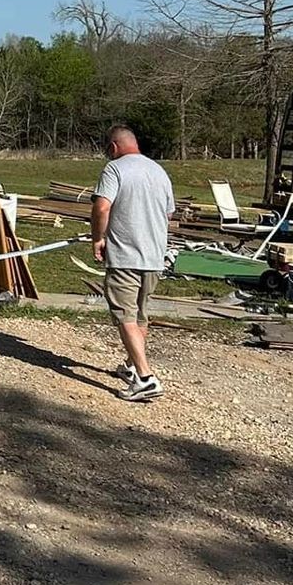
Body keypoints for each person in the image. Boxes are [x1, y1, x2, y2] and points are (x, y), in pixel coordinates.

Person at [90, 125, 175, 402]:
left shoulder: (114, 170)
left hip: (125, 255)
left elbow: (102, 206)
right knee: (139, 313)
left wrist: (98, 238)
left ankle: (146, 377)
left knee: (124, 315)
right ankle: (130, 366)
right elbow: (168, 213)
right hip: (153, 256)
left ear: (114, 147)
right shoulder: (159, 172)